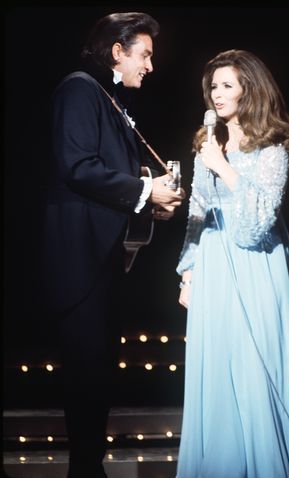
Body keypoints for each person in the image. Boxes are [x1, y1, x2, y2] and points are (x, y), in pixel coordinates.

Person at [41, 11, 184, 478]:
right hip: (79, 260)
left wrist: (150, 198)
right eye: (143, 55)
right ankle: (86, 469)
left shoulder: (109, 98)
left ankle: (90, 467)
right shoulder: (80, 89)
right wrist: (146, 191)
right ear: (117, 52)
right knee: (86, 374)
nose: (149, 66)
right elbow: (77, 166)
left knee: (98, 372)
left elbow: (110, 176)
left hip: (103, 259)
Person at [176, 49, 289, 477]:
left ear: (249, 89)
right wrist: (189, 269)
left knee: (254, 366)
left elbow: (256, 222)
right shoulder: (207, 141)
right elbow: (198, 210)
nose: (216, 94)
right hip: (214, 264)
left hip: (256, 264)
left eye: (226, 85)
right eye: (213, 86)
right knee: (216, 368)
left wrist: (225, 166)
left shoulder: (272, 147)